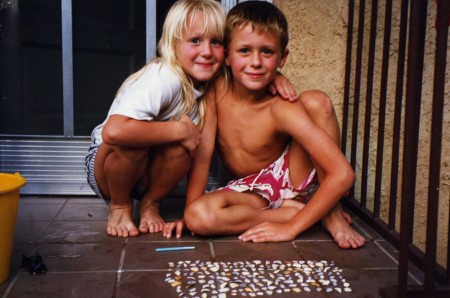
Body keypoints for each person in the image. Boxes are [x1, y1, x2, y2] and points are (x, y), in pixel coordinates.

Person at [184, 1, 365, 249]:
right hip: (256, 189)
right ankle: (297, 213)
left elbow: (343, 173)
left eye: (267, 52)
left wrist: (290, 230)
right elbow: (203, 153)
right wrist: (188, 213)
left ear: (282, 58)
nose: (256, 62)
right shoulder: (217, 90)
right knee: (198, 216)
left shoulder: (280, 107)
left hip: (295, 177)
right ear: (226, 55)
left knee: (316, 101)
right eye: (245, 50)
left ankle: (329, 211)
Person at [85, 0, 226, 238]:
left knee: (181, 149)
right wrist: (180, 131)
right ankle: (120, 206)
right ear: (173, 44)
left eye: (216, 42)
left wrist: (192, 212)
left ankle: (151, 203)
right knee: (132, 142)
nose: (207, 51)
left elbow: (202, 153)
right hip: (111, 168)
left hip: (148, 171)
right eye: (195, 40)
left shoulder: (209, 88)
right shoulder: (165, 77)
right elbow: (114, 132)